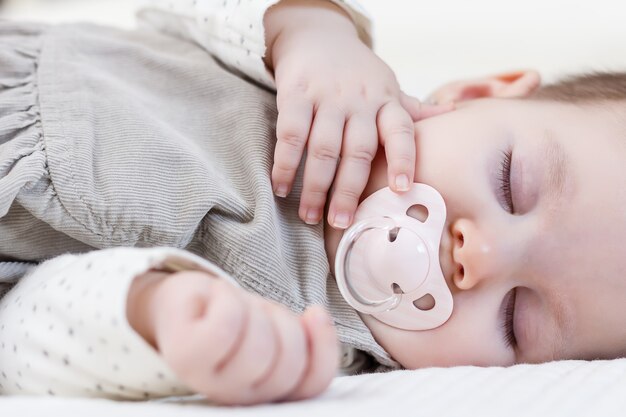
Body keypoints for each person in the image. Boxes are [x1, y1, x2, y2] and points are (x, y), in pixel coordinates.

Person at [0, 0, 625, 407]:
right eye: (509, 180)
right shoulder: (329, 75)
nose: (478, 254)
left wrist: (153, 312)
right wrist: (307, 27)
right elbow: (168, 14)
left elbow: (24, 333)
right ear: (474, 93)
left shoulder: (311, 345)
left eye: (517, 319)